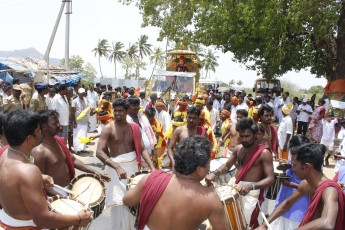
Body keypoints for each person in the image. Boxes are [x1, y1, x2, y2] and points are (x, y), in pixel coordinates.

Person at [0, 110, 92, 229]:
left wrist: (41, 178)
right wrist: (79, 218)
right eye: (38, 130)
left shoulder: (4, 154)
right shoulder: (28, 171)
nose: (41, 133)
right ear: (29, 138)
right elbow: (42, 219)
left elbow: (13, 181)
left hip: (5, 222)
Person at [123, 136, 229, 230]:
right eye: (208, 164)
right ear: (199, 170)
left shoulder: (152, 178)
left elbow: (127, 200)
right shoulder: (210, 197)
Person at [96, 98, 155, 230]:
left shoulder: (134, 128)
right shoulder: (108, 128)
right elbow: (99, 152)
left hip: (133, 168)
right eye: (115, 110)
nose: (117, 113)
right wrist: (116, 166)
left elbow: (143, 149)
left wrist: (152, 167)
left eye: (121, 111)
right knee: (118, 203)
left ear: (127, 111)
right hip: (115, 169)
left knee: (133, 202)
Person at [256, 143, 345, 230]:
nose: (292, 169)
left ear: (307, 167)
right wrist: (264, 225)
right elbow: (287, 203)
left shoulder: (329, 190)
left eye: (294, 165)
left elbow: (327, 223)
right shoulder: (306, 184)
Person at [206, 118, 275, 228]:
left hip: (250, 193)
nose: (244, 139)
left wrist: (251, 186)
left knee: (240, 225)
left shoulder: (264, 153)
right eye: (241, 136)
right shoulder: (238, 149)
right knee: (221, 221)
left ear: (254, 135)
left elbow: (271, 179)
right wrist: (214, 173)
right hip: (234, 187)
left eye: (247, 136)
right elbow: (227, 166)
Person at [31, 110, 109, 196]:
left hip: (68, 189)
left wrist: (95, 172)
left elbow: (74, 160)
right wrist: (60, 197)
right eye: (55, 123)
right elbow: (39, 181)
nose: (58, 125)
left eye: (58, 122)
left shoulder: (58, 141)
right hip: (54, 194)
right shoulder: (39, 151)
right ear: (44, 126)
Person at [269, 134, 310, 230]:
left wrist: (291, 184)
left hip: (298, 207)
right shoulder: (294, 154)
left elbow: (310, 186)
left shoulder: (312, 161)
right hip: (283, 200)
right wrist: (287, 164)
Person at [127, 96, 157, 169]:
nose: (137, 107)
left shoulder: (143, 118)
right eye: (133, 105)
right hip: (133, 158)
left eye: (138, 105)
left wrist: (155, 155)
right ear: (127, 106)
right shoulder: (126, 121)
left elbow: (150, 136)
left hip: (147, 155)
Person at [72, 88, 94, 154]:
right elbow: (73, 112)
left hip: (84, 120)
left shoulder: (86, 100)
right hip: (78, 121)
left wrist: (88, 120)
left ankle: (83, 149)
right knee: (77, 135)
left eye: (83, 93)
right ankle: (77, 150)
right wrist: (74, 122)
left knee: (84, 134)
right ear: (78, 93)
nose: (82, 94)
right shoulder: (75, 101)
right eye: (81, 93)